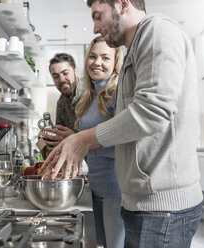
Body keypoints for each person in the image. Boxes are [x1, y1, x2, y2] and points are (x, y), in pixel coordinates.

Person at [41, 0, 204, 247]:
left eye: (98, 16)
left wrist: (82, 139)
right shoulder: (136, 49)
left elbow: (152, 112)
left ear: (122, 4)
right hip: (143, 203)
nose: (95, 28)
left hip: (162, 208)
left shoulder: (157, 31)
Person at [74, 36, 124, 248]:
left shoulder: (117, 94)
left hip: (115, 188)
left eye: (105, 58)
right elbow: (90, 136)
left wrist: (85, 143)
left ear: (115, 64)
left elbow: (123, 137)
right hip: (95, 186)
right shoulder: (89, 96)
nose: (97, 62)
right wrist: (72, 137)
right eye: (93, 56)